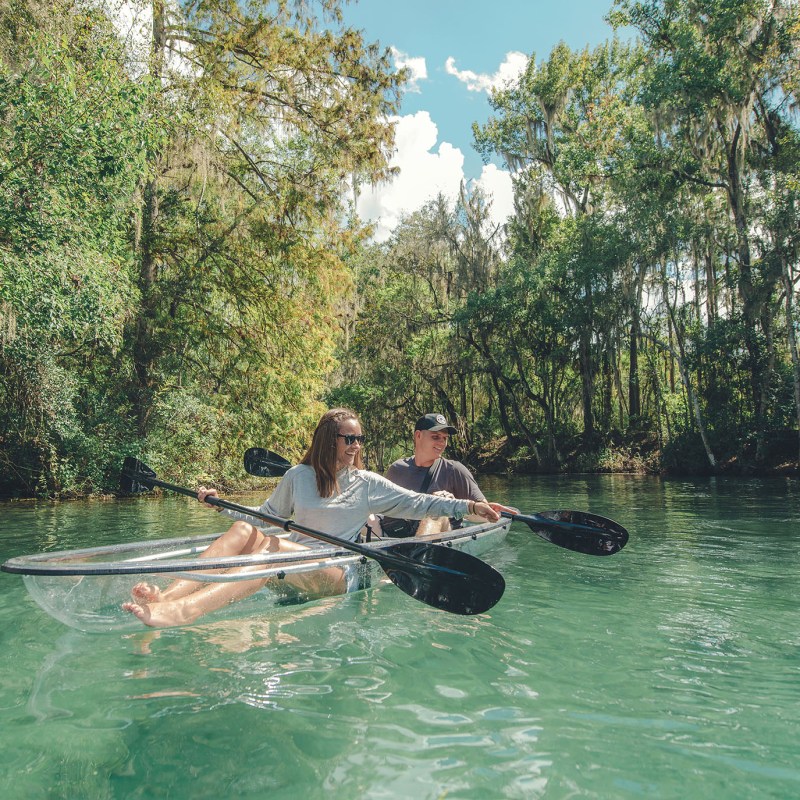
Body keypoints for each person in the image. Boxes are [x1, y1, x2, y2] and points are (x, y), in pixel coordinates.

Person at [122, 408, 501, 627]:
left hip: (339, 572)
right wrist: (221, 505)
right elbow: (266, 518)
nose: (355, 446)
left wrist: (467, 507)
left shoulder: (367, 483)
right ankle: (165, 596)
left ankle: (183, 612)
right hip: (294, 561)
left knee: (270, 555)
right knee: (242, 528)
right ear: (328, 439)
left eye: (359, 440)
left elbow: (421, 504)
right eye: (348, 438)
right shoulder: (297, 477)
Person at [380, 413, 516, 537]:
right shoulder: (397, 468)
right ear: (418, 436)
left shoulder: (454, 470)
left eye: (445, 438)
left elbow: (478, 512)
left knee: (437, 509)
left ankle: (419, 555)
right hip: (396, 535)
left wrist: (483, 510)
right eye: (436, 437)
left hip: (435, 538)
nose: (442, 443)